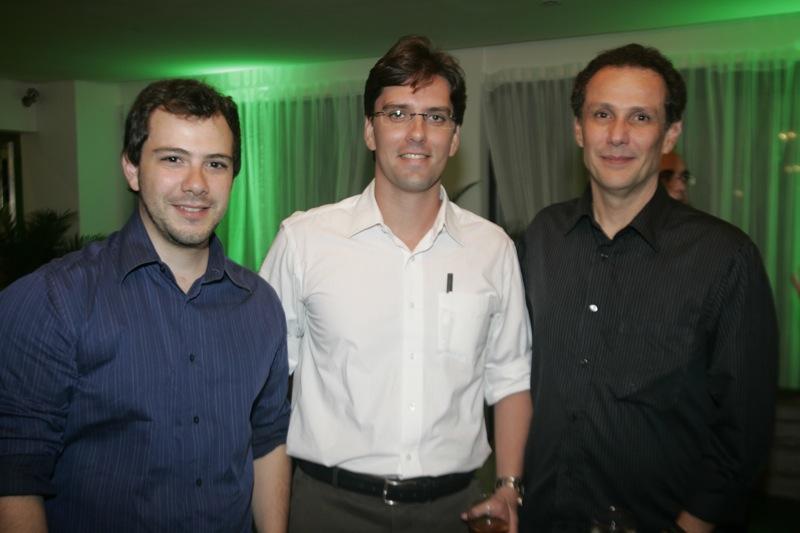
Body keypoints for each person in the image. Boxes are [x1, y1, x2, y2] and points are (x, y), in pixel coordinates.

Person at [260, 35, 532, 533]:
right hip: (328, 508)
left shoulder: (493, 249)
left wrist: (509, 486)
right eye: (398, 113)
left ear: (454, 137)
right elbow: (265, 390)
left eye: (436, 117)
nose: (417, 133)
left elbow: (511, 378)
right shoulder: (303, 241)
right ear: (370, 130)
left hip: (454, 511)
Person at [0, 79, 291, 533]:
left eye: (215, 164)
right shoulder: (52, 300)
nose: (196, 184)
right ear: (132, 169)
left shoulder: (260, 305)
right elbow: (14, 477)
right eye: (173, 159)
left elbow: (268, 441)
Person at [520, 44, 778, 532]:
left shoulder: (724, 257)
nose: (617, 135)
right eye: (602, 114)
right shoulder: (542, 237)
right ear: (579, 128)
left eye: (640, 117)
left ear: (670, 133)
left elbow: (743, 428)